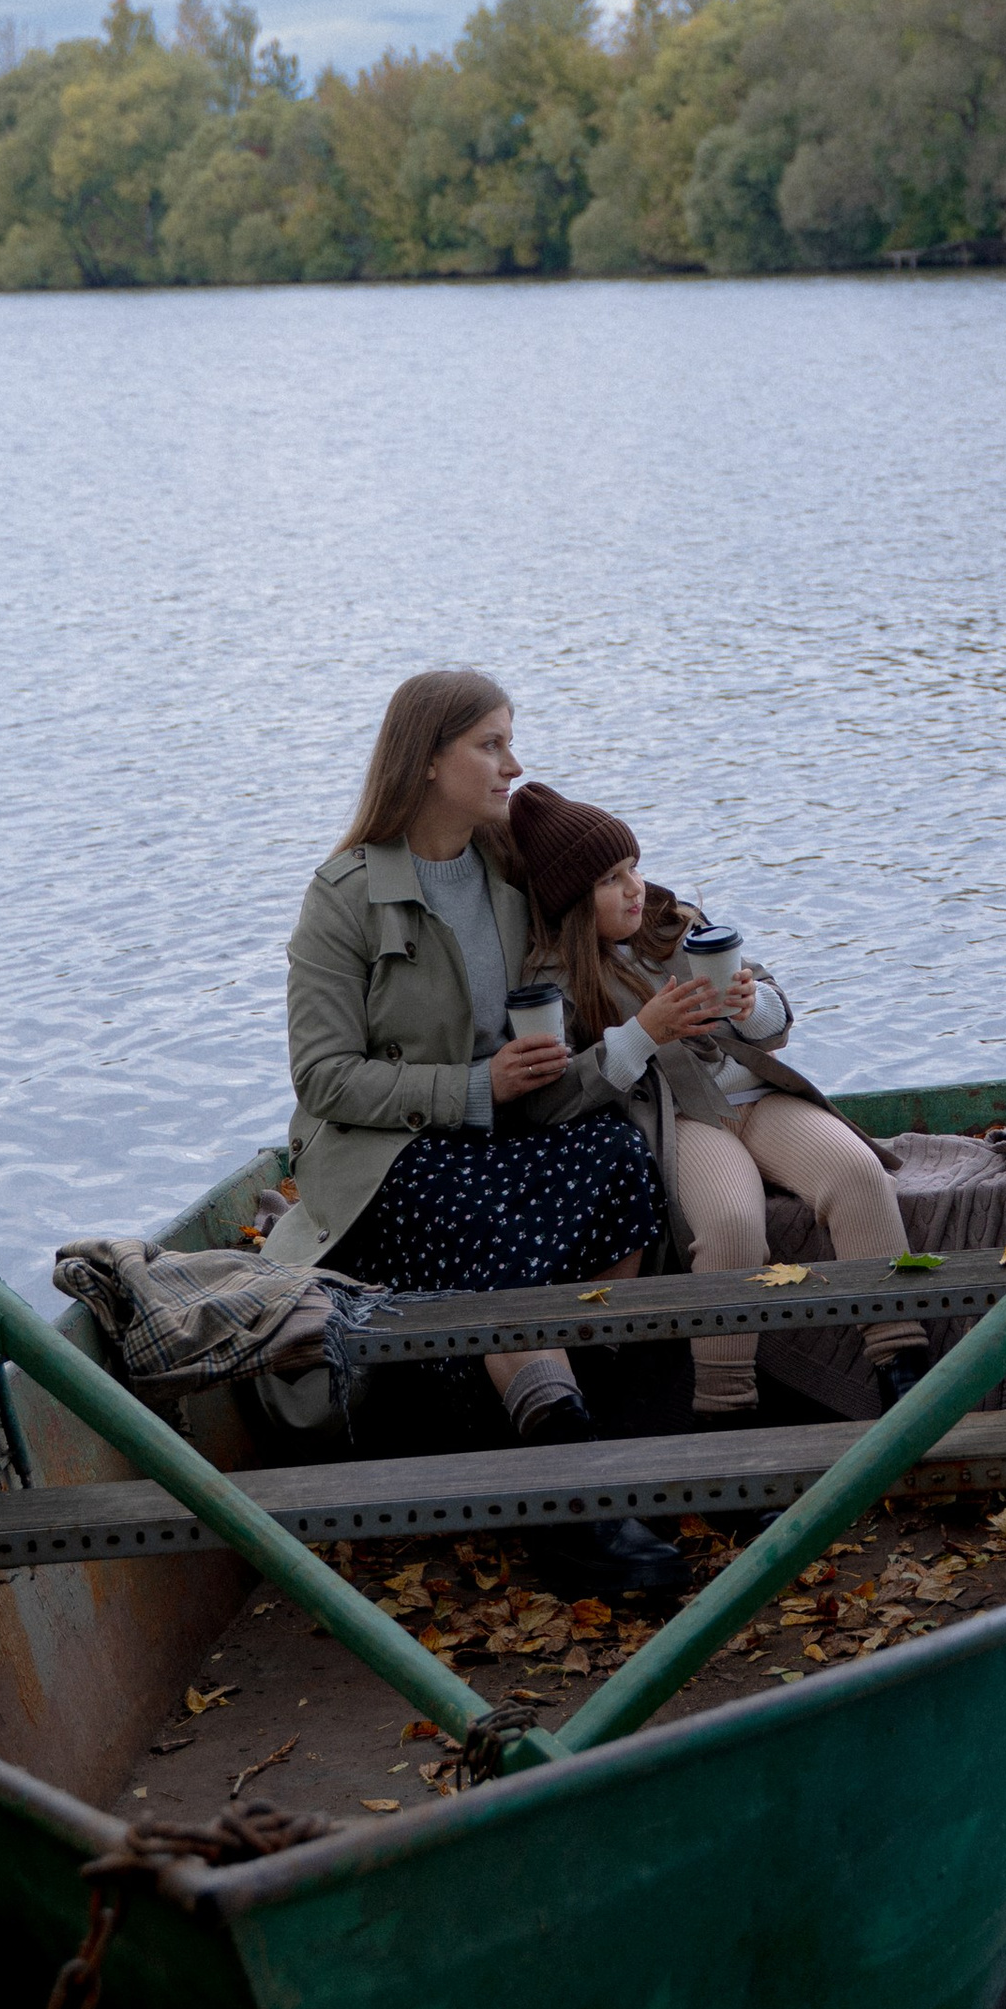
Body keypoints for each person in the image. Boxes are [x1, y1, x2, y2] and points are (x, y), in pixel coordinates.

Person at [271, 667, 686, 1595]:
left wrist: (686, 950)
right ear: (426, 761)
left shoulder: (508, 867)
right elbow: (322, 1077)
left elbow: (608, 881)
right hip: (386, 1162)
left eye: (511, 739)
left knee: (623, 1165)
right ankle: (576, 1514)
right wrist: (471, 1087)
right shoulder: (341, 897)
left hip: (498, 1139)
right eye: (490, 744)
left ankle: (567, 1438)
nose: (513, 763)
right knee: (488, 1231)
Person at [509, 779, 930, 1424]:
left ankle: (905, 1371)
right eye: (610, 880)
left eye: (634, 868)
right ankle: (726, 1412)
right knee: (732, 1227)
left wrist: (749, 1005)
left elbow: (776, 1011)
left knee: (856, 1174)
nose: (635, 888)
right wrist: (642, 1034)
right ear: (570, 901)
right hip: (682, 1120)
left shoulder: (675, 927)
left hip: (757, 1097)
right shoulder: (550, 980)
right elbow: (555, 1098)